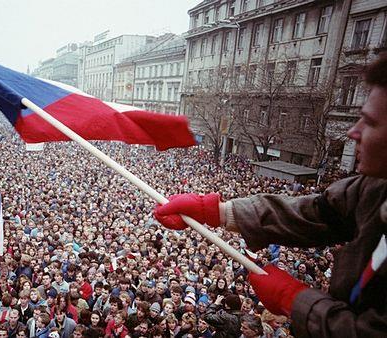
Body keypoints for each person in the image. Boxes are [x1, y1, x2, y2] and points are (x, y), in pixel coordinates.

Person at [154, 55, 387, 337]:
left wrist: (297, 302)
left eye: (370, 122)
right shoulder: (375, 187)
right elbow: (318, 212)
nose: (353, 131)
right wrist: (219, 212)